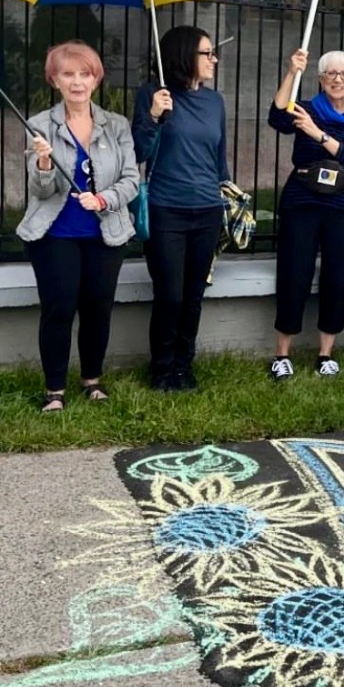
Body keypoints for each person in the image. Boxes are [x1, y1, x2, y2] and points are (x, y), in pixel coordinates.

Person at [17, 41, 139, 412]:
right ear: (54, 79)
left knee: (97, 307)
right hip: (56, 236)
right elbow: (41, 190)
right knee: (59, 308)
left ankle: (92, 380)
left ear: (95, 79)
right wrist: (42, 164)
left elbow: (132, 179)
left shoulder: (116, 125)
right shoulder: (39, 126)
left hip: (105, 232)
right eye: (68, 74)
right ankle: (55, 389)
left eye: (85, 74)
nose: (77, 82)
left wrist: (103, 200)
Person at [267, 48, 344, 379]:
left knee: (335, 276)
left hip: (339, 205)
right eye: (331, 74)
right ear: (321, 78)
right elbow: (277, 117)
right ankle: (282, 354)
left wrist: (318, 134)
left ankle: (325, 353)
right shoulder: (306, 108)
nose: (337, 80)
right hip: (302, 200)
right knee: (294, 273)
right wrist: (290, 72)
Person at [133, 26, 229, 392]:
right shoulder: (153, 95)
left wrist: (227, 195)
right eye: (207, 53)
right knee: (169, 293)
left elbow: (219, 161)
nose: (213, 59)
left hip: (207, 209)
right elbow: (139, 152)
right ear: (185, 55)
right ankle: (161, 367)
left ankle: (184, 367)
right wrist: (154, 116)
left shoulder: (215, 101)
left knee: (193, 295)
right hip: (166, 209)